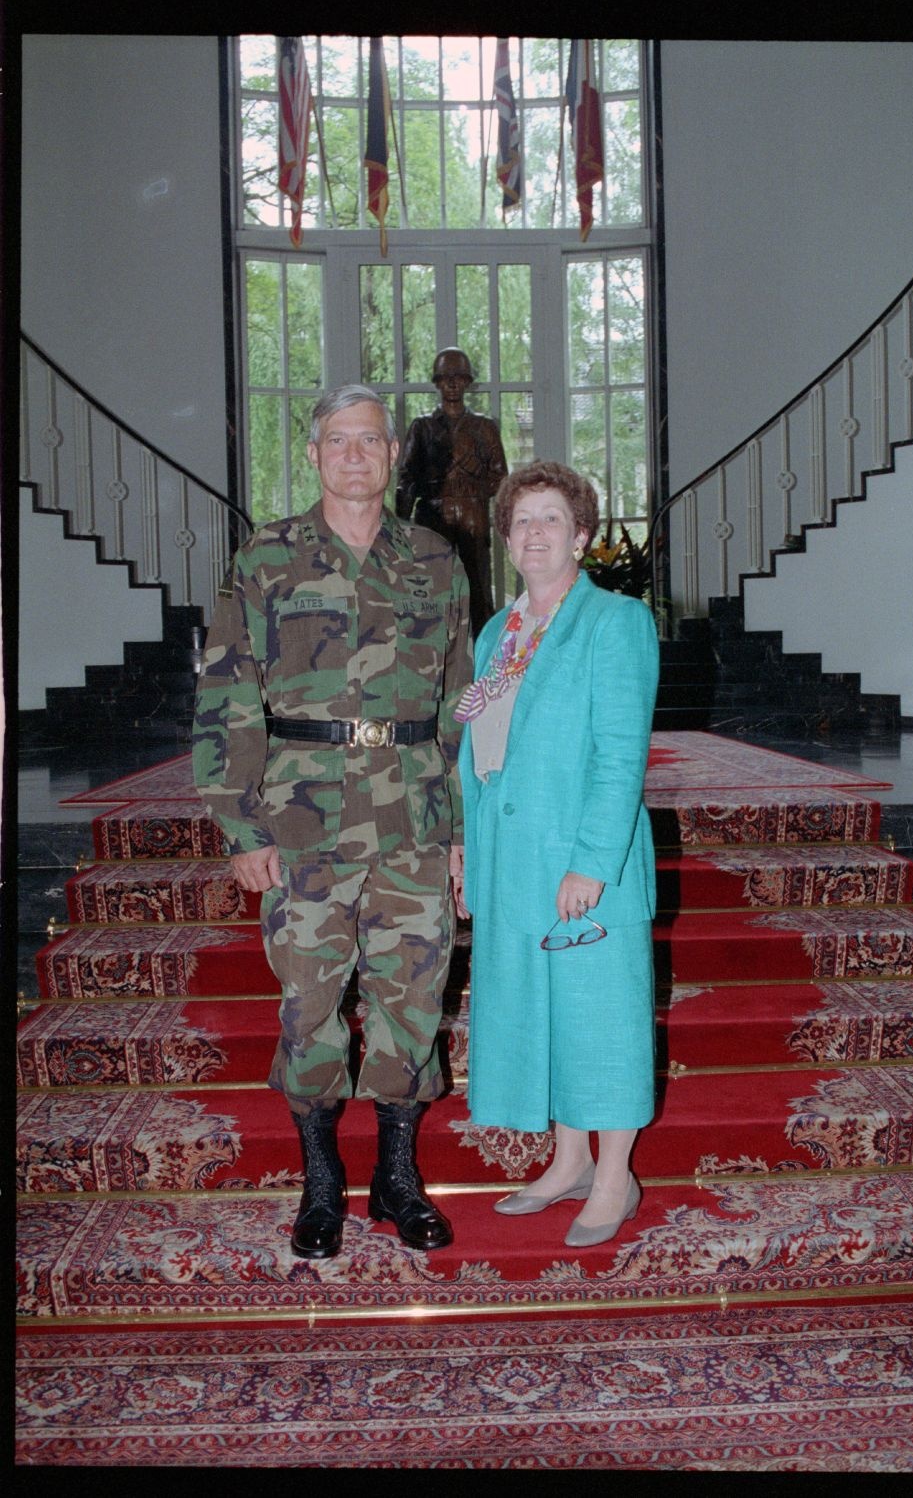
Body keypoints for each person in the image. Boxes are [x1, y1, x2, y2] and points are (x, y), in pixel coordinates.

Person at [192, 384, 472, 1261]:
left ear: (393, 456)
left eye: (371, 440)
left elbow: (465, 700)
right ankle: (321, 1184)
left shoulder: (436, 559)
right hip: (302, 820)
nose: (356, 454)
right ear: (313, 456)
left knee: (412, 1003)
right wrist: (239, 827)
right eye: (338, 441)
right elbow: (228, 693)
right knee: (309, 1004)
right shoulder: (266, 558)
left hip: (416, 818)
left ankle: (396, 1179)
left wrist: (467, 832)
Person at [452, 460, 659, 1247]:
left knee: (599, 1015)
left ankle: (616, 1177)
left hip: (580, 860)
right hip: (510, 855)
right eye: (521, 521)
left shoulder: (613, 623)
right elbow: (477, 750)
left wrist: (592, 862)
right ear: (506, 540)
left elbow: (619, 755)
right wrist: (468, 852)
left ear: (581, 535)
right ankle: (567, 1160)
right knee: (542, 1010)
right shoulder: (497, 633)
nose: (534, 533)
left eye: (550, 519)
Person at [395, 347, 508, 638]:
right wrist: (400, 527)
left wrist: (470, 488)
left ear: (468, 381)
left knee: (479, 589)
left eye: (459, 377)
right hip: (433, 517)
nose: (453, 384)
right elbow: (406, 477)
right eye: (446, 378)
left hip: (473, 517)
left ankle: (484, 653)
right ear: (437, 382)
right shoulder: (422, 428)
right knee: (432, 586)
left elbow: (500, 476)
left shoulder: (484, 428)